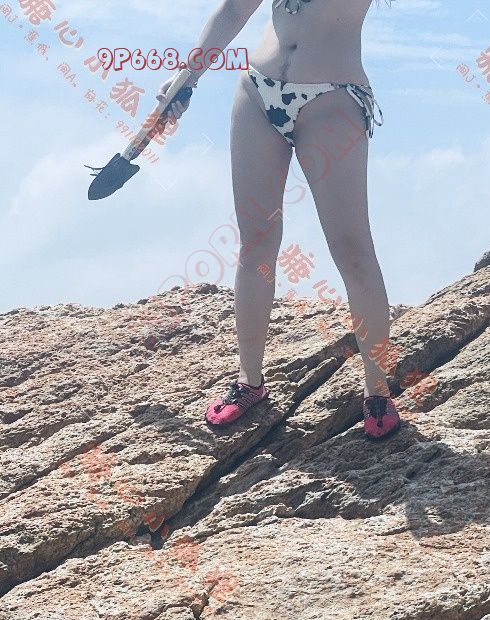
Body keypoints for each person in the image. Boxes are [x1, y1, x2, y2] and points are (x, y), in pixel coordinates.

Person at [157, 0, 400, 440]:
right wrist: (187, 77)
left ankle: (377, 390)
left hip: (332, 98)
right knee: (256, 240)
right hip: (258, 90)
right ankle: (249, 381)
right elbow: (233, 10)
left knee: (352, 249)